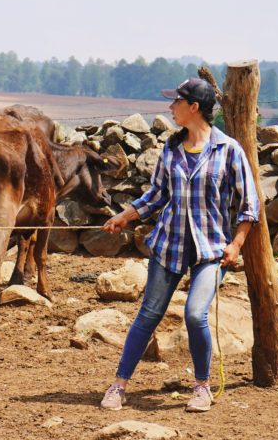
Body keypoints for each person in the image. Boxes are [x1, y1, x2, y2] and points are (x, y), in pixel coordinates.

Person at [99, 77, 260, 413]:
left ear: (194, 107)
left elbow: (250, 205)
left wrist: (237, 244)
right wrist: (123, 217)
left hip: (210, 250)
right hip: (169, 246)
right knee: (148, 314)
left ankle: (202, 386)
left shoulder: (228, 150)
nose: (170, 108)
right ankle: (119, 385)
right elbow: (156, 195)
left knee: (194, 314)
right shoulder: (171, 149)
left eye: (176, 102)